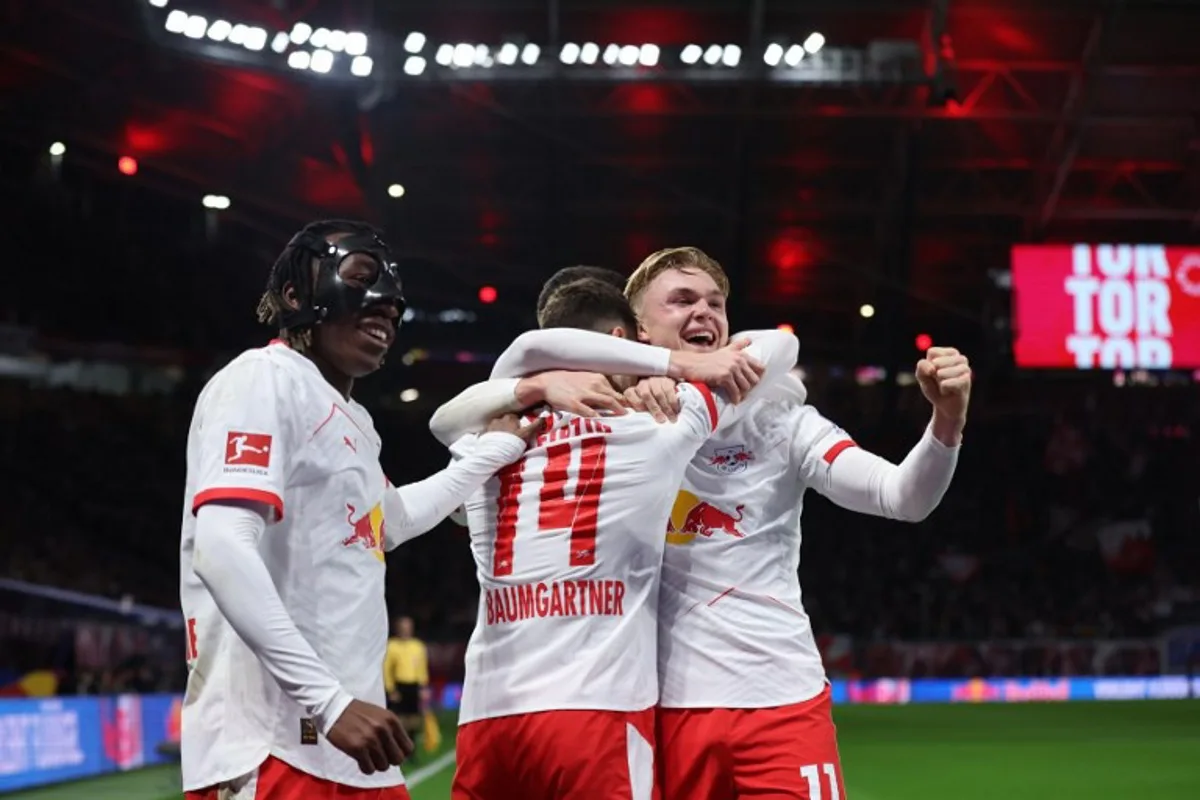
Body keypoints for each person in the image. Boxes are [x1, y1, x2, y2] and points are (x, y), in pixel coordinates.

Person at [435, 246, 969, 799]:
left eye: (716, 303)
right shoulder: (609, 420)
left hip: (781, 697)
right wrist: (547, 388)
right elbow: (470, 447)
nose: (704, 312)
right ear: (636, 332)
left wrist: (946, 422)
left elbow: (903, 497)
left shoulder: (781, 419)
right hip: (667, 714)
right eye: (682, 300)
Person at [179, 220, 535, 800]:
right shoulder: (261, 379)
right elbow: (220, 548)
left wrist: (490, 453)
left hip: (351, 749)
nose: (388, 302)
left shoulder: (355, 421)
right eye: (363, 277)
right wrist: (329, 703)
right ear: (295, 295)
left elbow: (388, 521)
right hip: (274, 744)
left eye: (395, 297)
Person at [432, 278, 800, 800]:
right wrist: (684, 365)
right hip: (597, 711)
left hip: (489, 714)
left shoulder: (488, 437)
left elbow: (447, 422)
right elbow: (777, 349)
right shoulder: (657, 425)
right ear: (620, 340)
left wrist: (534, 386)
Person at [383, 616, 429, 756]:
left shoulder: (418, 646)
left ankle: (411, 751)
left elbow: (422, 668)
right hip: (399, 686)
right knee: (399, 719)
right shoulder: (391, 646)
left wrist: (423, 687)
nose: (406, 630)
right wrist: (391, 689)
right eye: (403, 627)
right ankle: (398, 750)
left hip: (414, 686)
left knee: (414, 719)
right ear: (398, 629)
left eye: (408, 627)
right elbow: (386, 669)